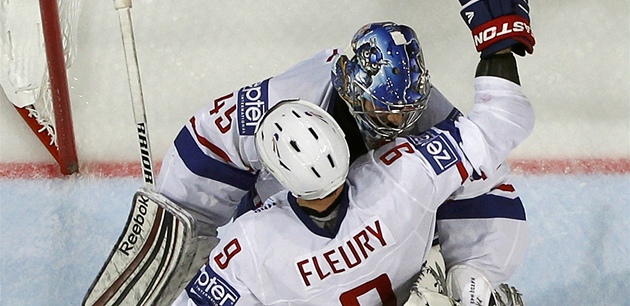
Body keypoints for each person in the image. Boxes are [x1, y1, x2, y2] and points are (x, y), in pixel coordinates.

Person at [83, 0, 534, 306]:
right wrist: (474, 276)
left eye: (406, 110)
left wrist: (177, 232)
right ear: (352, 93)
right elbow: (493, 138)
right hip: (398, 253)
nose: (399, 124)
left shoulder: (253, 247)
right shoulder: (408, 179)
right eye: (385, 112)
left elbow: (204, 148)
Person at [171, 60, 534, 304]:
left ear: (275, 176)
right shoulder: (403, 176)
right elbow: (503, 119)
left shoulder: (250, 244)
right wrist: (498, 44)